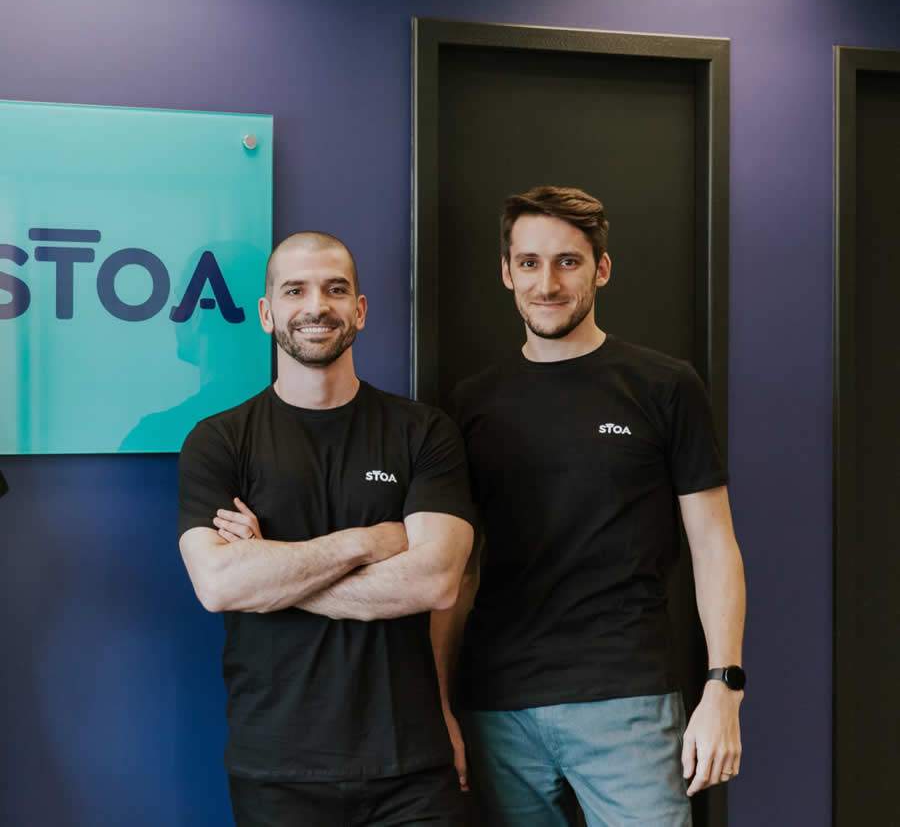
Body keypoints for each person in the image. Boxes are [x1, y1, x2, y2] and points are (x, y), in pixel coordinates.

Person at [434, 187, 746, 826]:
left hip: (625, 700)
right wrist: (439, 706)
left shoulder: (664, 386)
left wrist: (724, 688)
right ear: (506, 272)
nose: (547, 283)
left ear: (601, 269)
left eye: (568, 262)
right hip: (497, 707)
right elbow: (457, 572)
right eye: (529, 263)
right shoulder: (470, 403)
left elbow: (714, 543)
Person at [178, 232, 475, 827]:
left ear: (359, 310)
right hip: (277, 770)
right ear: (267, 313)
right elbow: (219, 586)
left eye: (335, 289)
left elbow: (435, 582)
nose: (316, 305)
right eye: (295, 290)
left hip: (410, 768)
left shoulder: (423, 433)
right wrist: (367, 542)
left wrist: (270, 571)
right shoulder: (219, 441)